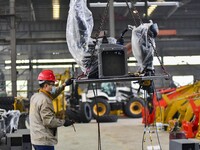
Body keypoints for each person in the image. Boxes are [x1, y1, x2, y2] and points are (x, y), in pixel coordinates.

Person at [29, 70, 74, 150]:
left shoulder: (36, 96)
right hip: (44, 141)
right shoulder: (45, 100)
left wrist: (65, 84)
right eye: (53, 85)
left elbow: (53, 93)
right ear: (46, 85)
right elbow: (48, 122)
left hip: (36, 138)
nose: (54, 87)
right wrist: (64, 122)